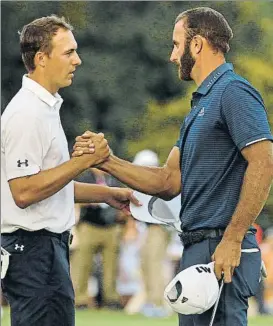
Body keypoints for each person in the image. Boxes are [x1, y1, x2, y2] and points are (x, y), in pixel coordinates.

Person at [73, 7, 273, 326]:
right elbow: (168, 181)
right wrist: (106, 160)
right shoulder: (200, 106)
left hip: (221, 247)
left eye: (176, 44)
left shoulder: (234, 92)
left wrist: (233, 239)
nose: (172, 55)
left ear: (197, 45)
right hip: (197, 247)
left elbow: (264, 163)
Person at [1, 15, 139, 326]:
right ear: (41, 58)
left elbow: (48, 185)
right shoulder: (27, 114)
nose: (77, 60)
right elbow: (23, 192)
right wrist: (84, 161)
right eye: (68, 52)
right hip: (34, 251)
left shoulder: (44, 109)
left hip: (43, 250)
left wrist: (105, 194)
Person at [71, 168, 124, 310]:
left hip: (111, 226)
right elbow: (74, 196)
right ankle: (79, 299)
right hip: (89, 225)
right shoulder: (85, 177)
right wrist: (91, 199)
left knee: (111, 266)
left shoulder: (114, 178)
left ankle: (111, 299)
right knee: (82, 264)